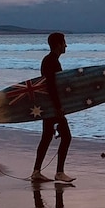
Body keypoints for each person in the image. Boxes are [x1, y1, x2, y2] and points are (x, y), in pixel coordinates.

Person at [30, 32, 72, 183]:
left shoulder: (49, 60)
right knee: (66, 137)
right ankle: (59, 172)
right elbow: (52, 87)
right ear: (58, 44)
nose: (66, 45)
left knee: (47, 137)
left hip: (48, 107)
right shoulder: (52, 62)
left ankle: (36, 172)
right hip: (52, 107)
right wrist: (58, 107)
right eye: (64, 42)